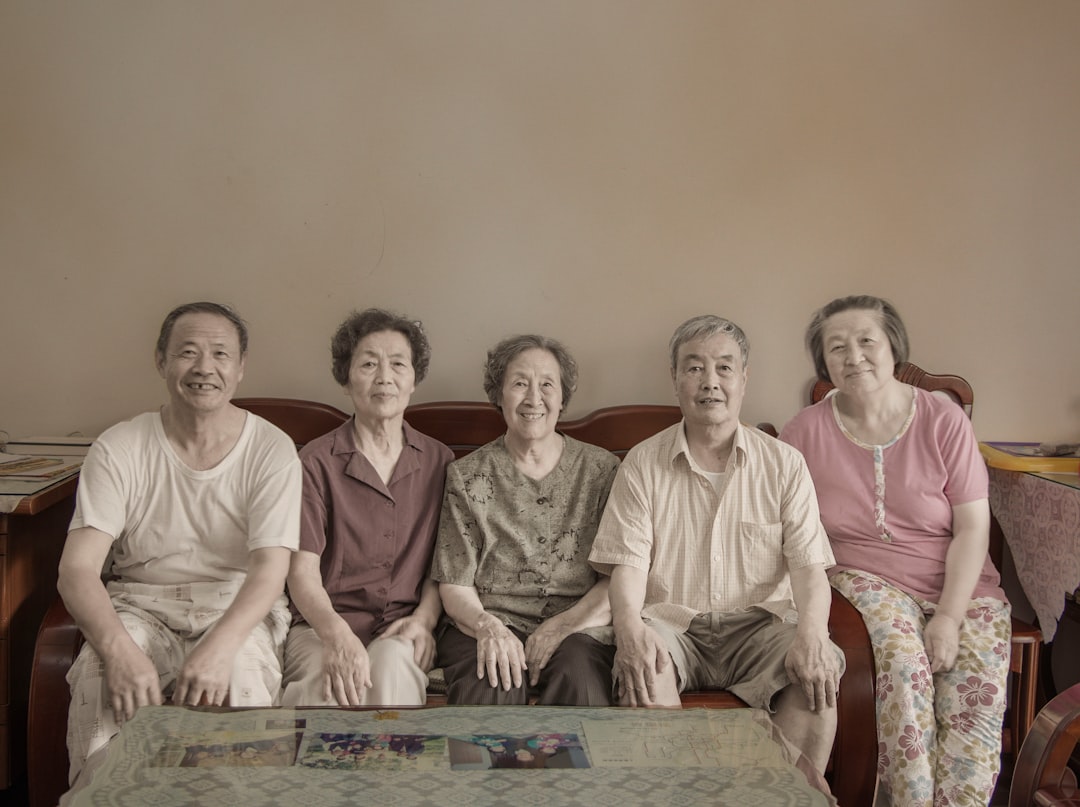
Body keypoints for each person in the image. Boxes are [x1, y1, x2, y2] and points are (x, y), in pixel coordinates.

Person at [57, 302, 301, 790]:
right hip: (139, 607)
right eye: (187, 352)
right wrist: (118, 649)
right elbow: (77, 570)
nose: (204, 368)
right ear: (161, 361)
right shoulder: (120, 445)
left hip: (234, 609)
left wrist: (219, 646)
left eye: (219, 354)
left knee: (242, 685)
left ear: (240, 367)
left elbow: (270, 571)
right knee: (99, 677)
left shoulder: (271, 448)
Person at [588, 314, 843, 774]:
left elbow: (809, 569)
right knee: (642, 667)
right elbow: (628, 568)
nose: (710, 382)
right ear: (675, 380)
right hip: (674, 627)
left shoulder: (785, 464)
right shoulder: (643, 463)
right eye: (694, 368)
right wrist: (628, 630)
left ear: (744, 379)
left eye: (724, 368)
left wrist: (813, 634)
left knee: (815, 676)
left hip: (760, 629)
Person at [780, 295, 1009, 806]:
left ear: (893, 347)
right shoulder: (803, 432)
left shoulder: (943, 420)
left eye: (867, 341)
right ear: (823, 362)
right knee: (905, 674)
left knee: (975, 702)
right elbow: (790, 528)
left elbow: (973, 528)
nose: (853, 355)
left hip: (961, 583)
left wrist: (948, 617)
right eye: (836, 347)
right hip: (865, 577)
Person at [431, 334, 619, 705]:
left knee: (580, 682)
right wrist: (488, 629)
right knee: (491, 683)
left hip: (578, 625)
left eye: (547, 384)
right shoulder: (467, 476)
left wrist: (563, 626)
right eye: (520, 383)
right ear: (498, 395)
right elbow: (454, 582)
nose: (534, 398)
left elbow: (615, 578)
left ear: (562, 397)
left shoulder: (601, 470)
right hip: (484, 623)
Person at [281, 308, 453, 706]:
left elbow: (444, 566)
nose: (384, 377)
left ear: (414, 378)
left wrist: (424, 622)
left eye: (397, 364)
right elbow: (302, 571)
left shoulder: (439, 461)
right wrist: (338, 637)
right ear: (346, 378)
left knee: (392, 663)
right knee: (331, 680)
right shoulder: (316, 461)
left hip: (402, 625)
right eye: (368, 364)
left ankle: (396, 770)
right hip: (321, 626)